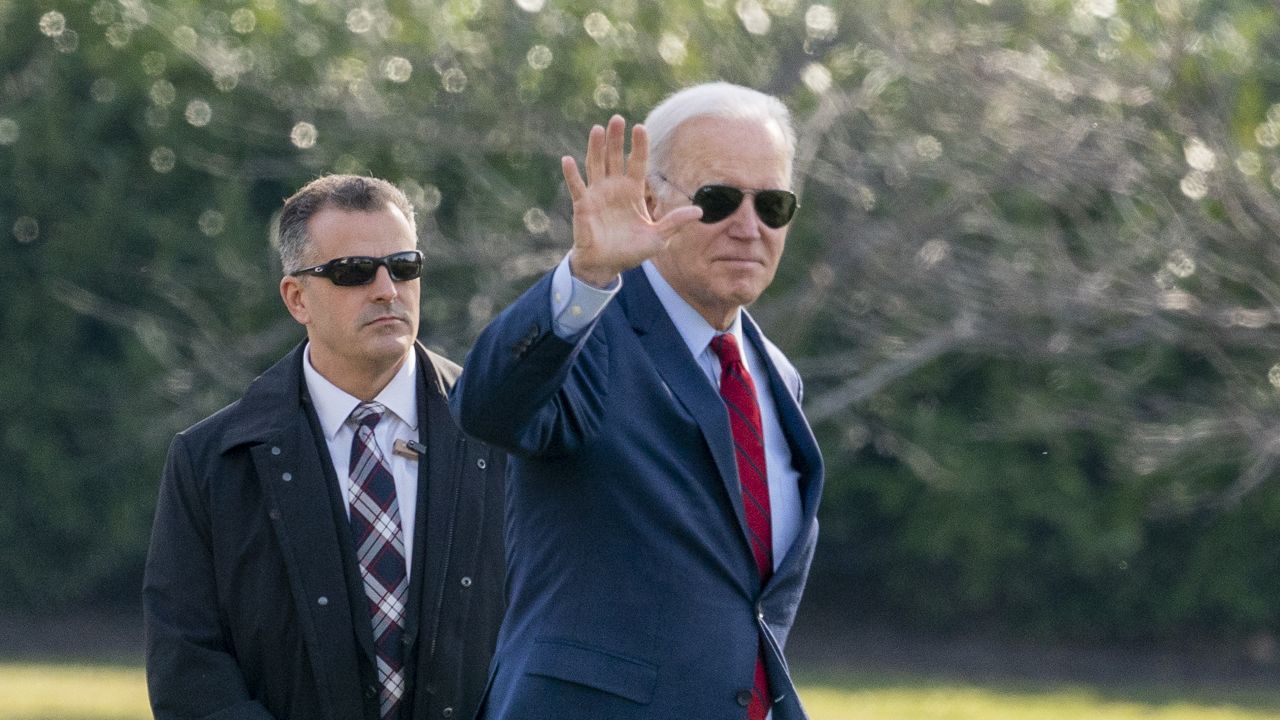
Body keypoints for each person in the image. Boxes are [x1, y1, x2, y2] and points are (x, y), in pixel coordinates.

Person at [451, 82, 825, 720]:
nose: (748, 226)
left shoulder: (775, 376)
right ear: (651, 200)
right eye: (717, 199)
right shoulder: (590, 332)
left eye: (773, 204)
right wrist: (588, 275)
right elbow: (487, 406)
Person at [144, 175, 506, 720]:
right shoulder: (211, 462)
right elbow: (188, 668)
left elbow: (554, 631)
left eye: (405, 266)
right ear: (296, 298)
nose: (387, 289)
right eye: (354, 272)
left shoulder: (502, 434)